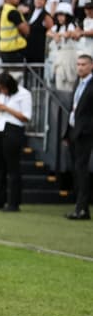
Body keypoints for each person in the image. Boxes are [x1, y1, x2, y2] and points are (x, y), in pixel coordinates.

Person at [0, 72, 32, 213]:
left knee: (13, 168)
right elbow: (0, 111)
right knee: (0, 167)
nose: (2, 91)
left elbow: (26, 117)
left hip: (13, 130)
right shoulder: (2, 95)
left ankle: (14, 202)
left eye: (4, 88)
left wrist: (7, 109)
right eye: (0, 89)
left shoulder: (24, 94)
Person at [64, 54, 93, 220]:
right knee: (77, 169)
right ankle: (80, 207)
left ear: (91, 66)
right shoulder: (79, 83)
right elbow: (74, 109)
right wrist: (68, 132)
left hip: (86, 132)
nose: (80, 67)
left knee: (81, 169)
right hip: (75, 131)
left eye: (83, 65)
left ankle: (82, 209)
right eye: (78, 64)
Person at [0, 0, 29, 66]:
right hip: (14, 48)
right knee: (16, 75)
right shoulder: (13, 12)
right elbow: (26, 30)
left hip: (4, 48)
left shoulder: (4, 9)